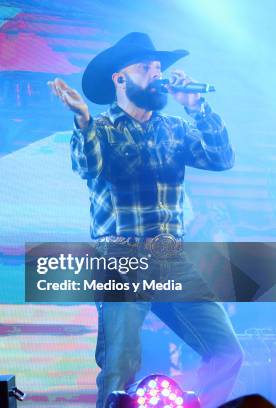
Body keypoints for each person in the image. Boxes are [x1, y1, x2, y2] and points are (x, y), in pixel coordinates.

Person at [48, 33, 243, 408]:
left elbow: (222, 158)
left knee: (227, 353)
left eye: (158, 67)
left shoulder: (175, 127)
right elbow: (88, 166)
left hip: (171, 260)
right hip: (121, 258)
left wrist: (197, 108)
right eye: (145, 67)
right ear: (119, 79)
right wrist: (83, 120)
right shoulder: (101, 128)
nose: (156, 74)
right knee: (119, 372)